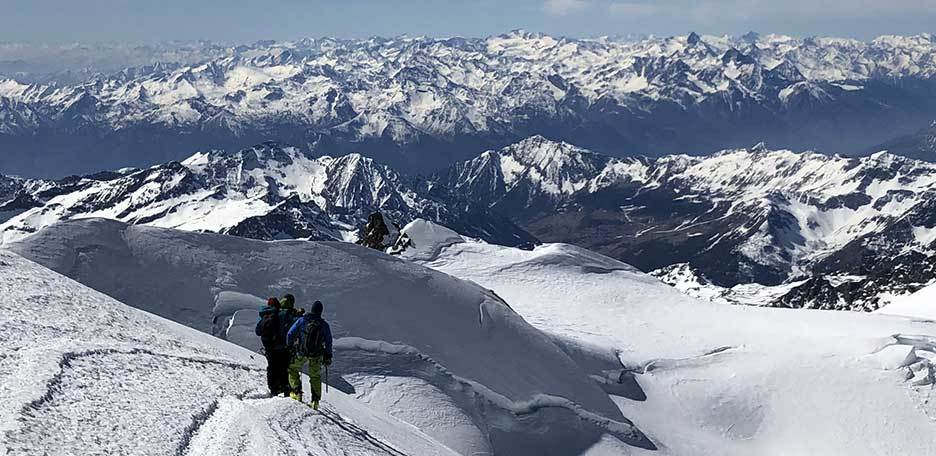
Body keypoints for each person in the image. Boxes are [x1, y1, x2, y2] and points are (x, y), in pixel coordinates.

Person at [286, 300, 333, 409]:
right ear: (320, 312)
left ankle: (297, 392)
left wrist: (290, 346)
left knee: (292, 368)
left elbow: (290, 333)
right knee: (315, 376)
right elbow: (328, 342)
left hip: (302, 352)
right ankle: (315, 401)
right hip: (316, 355)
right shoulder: (324, 325)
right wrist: (328, 356)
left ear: (311, 309)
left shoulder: (302, 320)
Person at [255, 297, 291, 397]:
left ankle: (273, 389)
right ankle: (285, 387)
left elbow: (257, 332)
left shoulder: (264, 316)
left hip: (269, 347)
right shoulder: (280, 315)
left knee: (272, 367)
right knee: (283, 367)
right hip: (281, 346)